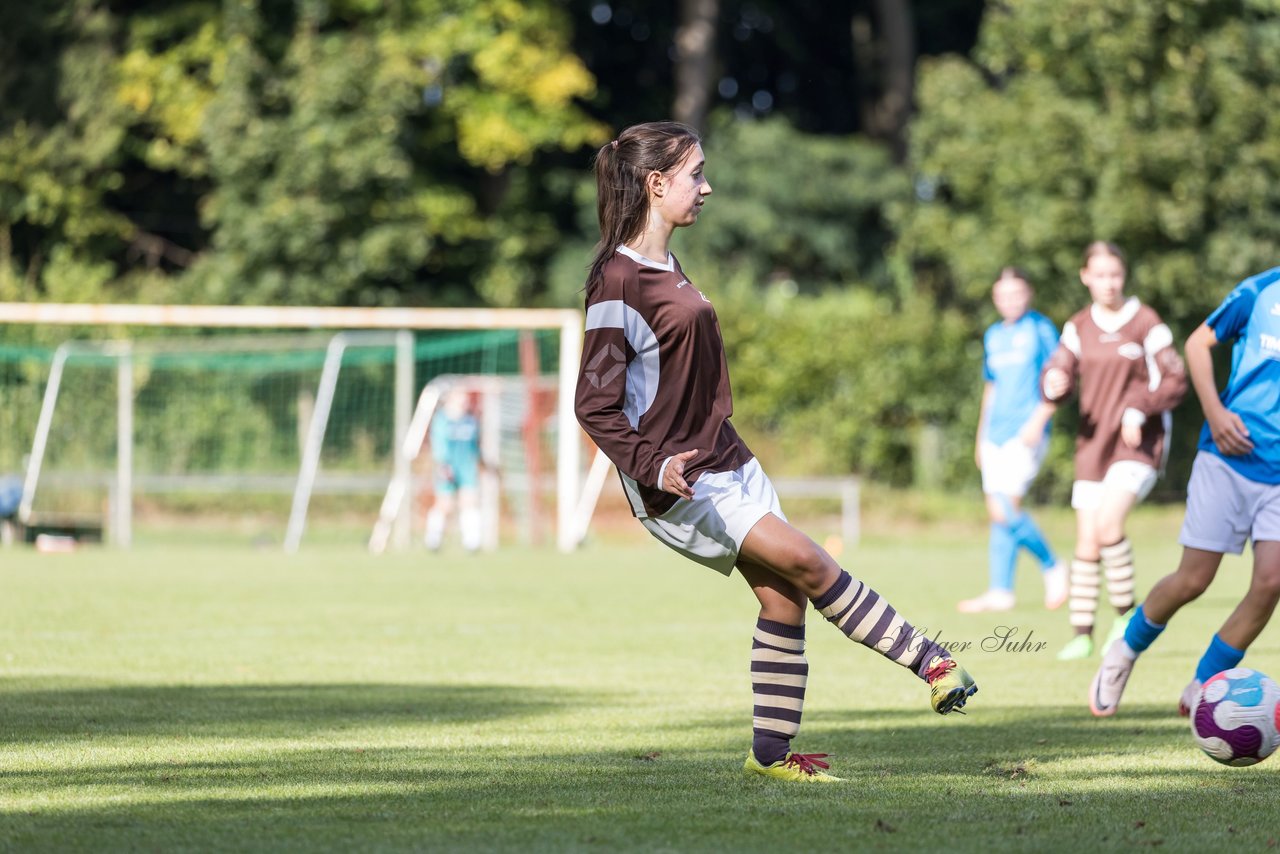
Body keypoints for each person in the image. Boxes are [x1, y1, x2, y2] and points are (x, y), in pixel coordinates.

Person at [574, 121, 977, 784]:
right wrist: (653, 466)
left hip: (727, 460)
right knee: (811, 563)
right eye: (695, 174)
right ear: (656, 184)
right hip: (683, 483)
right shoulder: (617, 281)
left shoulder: (666, 264)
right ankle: (934, 664)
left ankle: (771, 757)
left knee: (785, 598)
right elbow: (594, 405)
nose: (708, 186)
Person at [1088, 266, 1280, 717]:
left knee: (1271, 582)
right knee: (1194, 578)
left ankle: (1203, 685)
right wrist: (1214, 413)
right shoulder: (1260, 291)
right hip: (1228, 459)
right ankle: (1124, 651)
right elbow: (1197, 343)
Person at [1042, 242, 1188, 660]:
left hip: (1137, 445)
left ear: (1124, 276)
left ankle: (1128, 619)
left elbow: (1175, 378)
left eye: (1115, 275)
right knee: (1087, 543)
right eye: (1100, 275)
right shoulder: (1078, 326)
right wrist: (1054, 382)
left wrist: (1138, 409)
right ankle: (1082, 634)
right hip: (1094, 445)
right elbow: (1059, 368)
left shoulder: (1145, 322)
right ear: (1084, 276)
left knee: (1108, 525)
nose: (1108, 283)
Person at [958, 269, 1067, 614]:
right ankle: (1001, 591)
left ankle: (1053, 565)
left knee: (1005, 508)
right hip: (995, 435)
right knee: (998, 513)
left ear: (1028, 293)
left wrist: (1040, 419)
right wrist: (980, 435)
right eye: (1004, 295)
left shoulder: (1041, 329)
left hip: (1026, 431)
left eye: (1017, 294)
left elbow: (1059, 377)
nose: (1011, 301)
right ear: (996, 298)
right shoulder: (993, 335)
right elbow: (991, 387)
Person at [424, 389, 483, 552]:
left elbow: (475, 446)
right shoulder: (442, 420)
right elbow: (439, 446)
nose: (464, 402)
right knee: (445, 505)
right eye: (460, 399)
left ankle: (472, 542)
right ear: (450, 400)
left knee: (469, 502)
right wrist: (443, 466)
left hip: (467, 467)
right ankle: (433, 540)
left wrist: (483, 462)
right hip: (447, 467)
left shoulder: (470, 421)